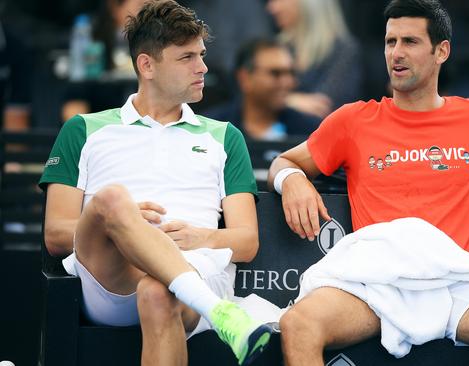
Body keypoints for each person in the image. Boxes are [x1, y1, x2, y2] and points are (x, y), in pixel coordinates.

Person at [268, 0, 469, 365]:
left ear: (442, 51)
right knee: (299, 324)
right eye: (390, 42)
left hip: (458, 282)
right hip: (375, 283)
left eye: (410, 42)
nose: (396, 54)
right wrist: (293, 180)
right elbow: (284, 162)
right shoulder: (354, 119)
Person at [40, 1, 272, 365]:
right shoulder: (82, 129)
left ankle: (197, 296)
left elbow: (247, 241)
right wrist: (124, 224)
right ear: (146, 65)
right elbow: (55, 234)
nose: (203, 68)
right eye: (187, 58)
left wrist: (202, 236)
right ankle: (222, 313)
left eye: (202, 55)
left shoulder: (225, 137)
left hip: (196, 270)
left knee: (158, 292)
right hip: (110, 279)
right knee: (113, 200)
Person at [205, 38, 321, 141]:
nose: (288, 82)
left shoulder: (311, 132)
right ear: (244, 78)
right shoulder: (210, 130)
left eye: (291, 73)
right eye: (275, 73)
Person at [266, 0, 362, 118]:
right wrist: (291, 100)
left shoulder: (344, 50)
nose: (272, 8)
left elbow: (322, 106)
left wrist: (278, 100)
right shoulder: (278, 47)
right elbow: (254, 95)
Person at [61, 0, 146, 122]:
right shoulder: (92, 38)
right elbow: (78, 87)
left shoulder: (158, 40)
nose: (149, 14)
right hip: (102, 118)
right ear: (114, 7)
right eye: (142, 6)